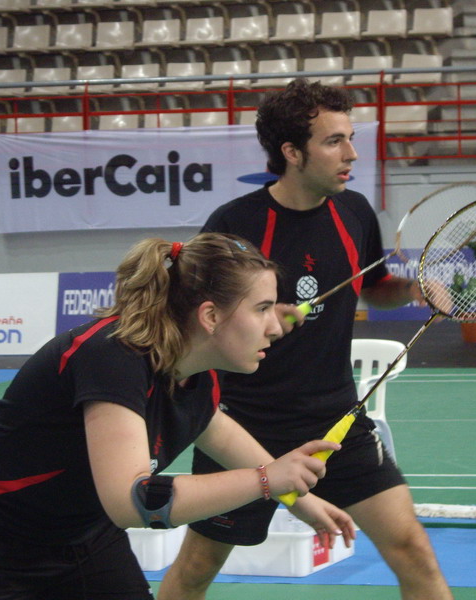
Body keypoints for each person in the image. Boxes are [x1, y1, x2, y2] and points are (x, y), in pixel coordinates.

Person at [0, 232, 356, 600]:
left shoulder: (197, 366)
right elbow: (137, 501)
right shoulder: (113, 357)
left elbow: (212, 428)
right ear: (210, 316)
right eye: (262, 309)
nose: (277, 327)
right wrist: (268, 480)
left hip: (81, 532)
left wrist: (298, 499)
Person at [159, 79, 453, 599]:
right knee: (195, 571)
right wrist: (259, 315)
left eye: (350, 137)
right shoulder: (234, 226)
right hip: (245, 427)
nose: (352, 154)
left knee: (414, 551)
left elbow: (373, 287)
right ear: (292, 153)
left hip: (337, 421)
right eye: (334, 141)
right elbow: (188, 320)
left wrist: (411, 292)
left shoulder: (355, 211)